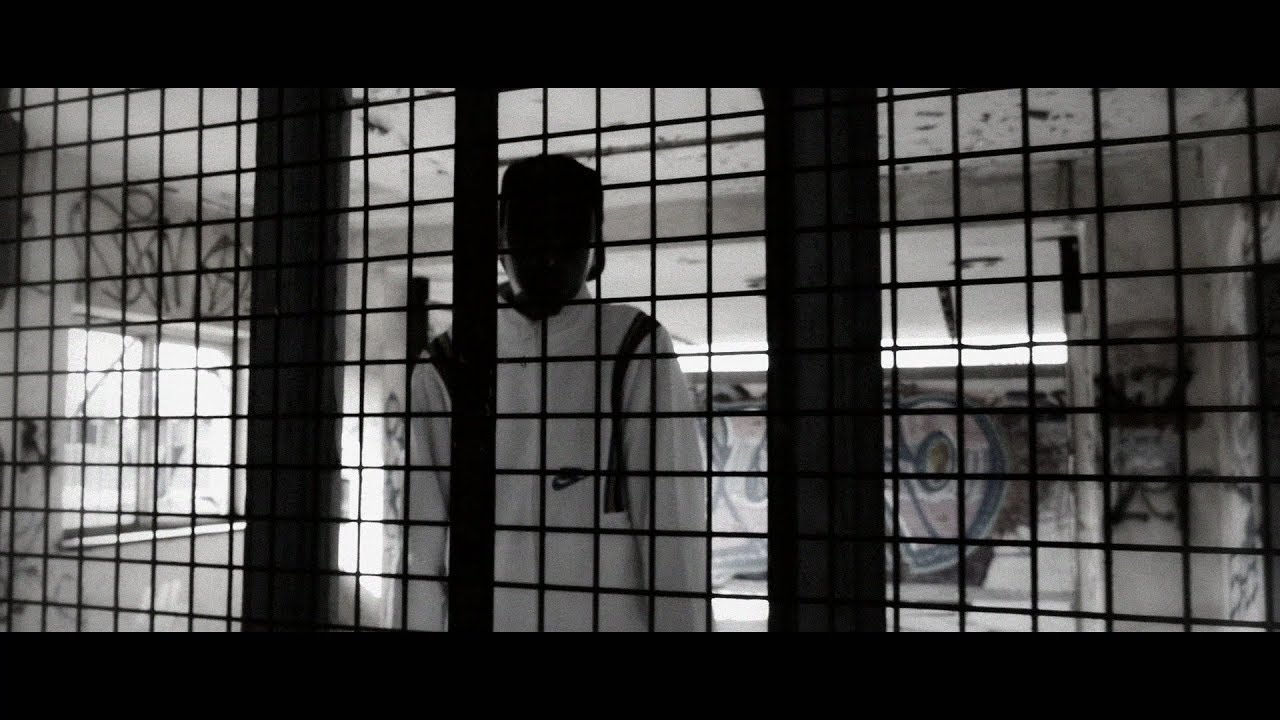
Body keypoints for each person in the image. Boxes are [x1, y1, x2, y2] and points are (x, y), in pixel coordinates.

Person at [404, 154, 707, 631]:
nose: (548, 254)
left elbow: (674, 528)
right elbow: (420, 550)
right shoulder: (446, 363)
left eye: (568, 232)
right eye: (531, 232)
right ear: (501, 241)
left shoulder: (633, 347)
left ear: (595, 244)